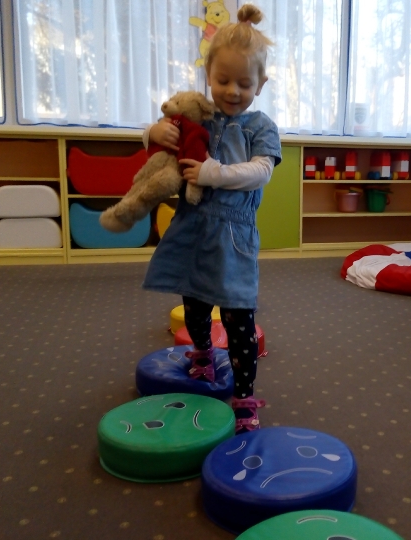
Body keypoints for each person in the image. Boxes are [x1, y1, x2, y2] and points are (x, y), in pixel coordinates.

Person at [142, 3, 281, 435]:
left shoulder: (261, 126)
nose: (233, 91)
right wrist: (152, 133)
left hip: (234, 235)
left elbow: (262, 171)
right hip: (193, 225)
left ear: (261, 83)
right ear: (208, 74)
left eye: (245, 83)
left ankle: (244, 397)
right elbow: (159, 137)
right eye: (223, 80)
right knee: (195, 300)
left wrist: (212, 173)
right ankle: (202, 355)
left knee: (238, 316)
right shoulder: (198, 113)